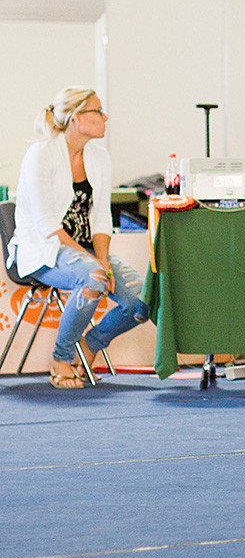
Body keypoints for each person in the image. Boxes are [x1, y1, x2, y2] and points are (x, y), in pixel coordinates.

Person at [8, 87, 150, 389]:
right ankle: (61, 359)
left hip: (84, 253)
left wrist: (100, 259)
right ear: (76, 118)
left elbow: (101, 219)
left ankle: (87, 348)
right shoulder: (41, 154)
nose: (105, 117)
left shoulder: (99, 157)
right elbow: (47, 226)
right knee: (94, 277)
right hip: (43, 251)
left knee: (141, 303)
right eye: (98, 111)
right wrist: (95, 265)